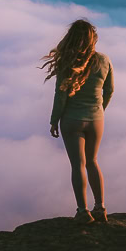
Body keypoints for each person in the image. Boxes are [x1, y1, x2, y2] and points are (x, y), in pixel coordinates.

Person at [42, 19, 114, 224]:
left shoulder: (67, 63)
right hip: (96, 119)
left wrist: (54, 120)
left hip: (72, 121)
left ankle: (83, 212)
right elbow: (109, 90)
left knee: (78, 165)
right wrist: (101, 109)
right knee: (92, 162)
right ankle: (100, 208)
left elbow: (60, 96)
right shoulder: (104, 60)